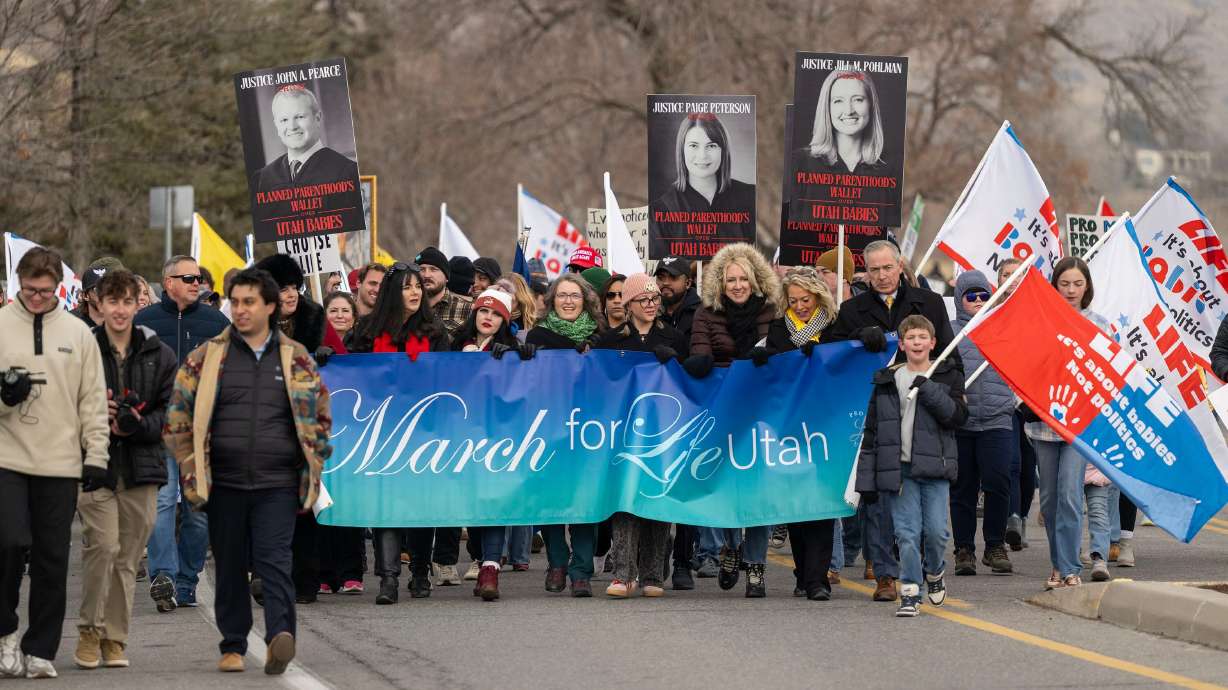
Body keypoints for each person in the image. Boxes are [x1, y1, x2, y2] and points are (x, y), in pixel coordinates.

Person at [164, 267, 331, 674]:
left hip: (278, 483)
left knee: (275, 560)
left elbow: (321, 415)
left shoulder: (296, 358)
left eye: (249, 302)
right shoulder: (207, 357)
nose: (239, 310)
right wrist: (191, 466)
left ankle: (279, 637)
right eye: (235, 301)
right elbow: (177, 418)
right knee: (231, 563)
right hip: (224, 483)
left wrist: (313, 457)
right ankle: (233, 643)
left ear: (270, 307)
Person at [0, 247, 109, 679]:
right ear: (18, 285)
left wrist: (96, 454)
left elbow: (93, 399)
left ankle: (40, 647)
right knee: (7, 545)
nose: (38, 298)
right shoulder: (2, 324)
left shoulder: (78, 333)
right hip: (8, 456)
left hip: (61, 461)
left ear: (58, 289)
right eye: (30, 290)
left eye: (46, 291)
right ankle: (5, 631)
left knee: (51, 558)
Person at [73, 269, 176, 671]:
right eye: (111, 301)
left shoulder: (159, 353)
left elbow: (171, 414)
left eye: (126, 301)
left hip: (142, 465)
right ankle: (88, 631)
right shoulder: (83, 349)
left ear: (137, 303)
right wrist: (98, 417)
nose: (119, 309)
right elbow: (66, 407)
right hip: (94, 464)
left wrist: (138, 423)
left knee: (128, 557)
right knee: (102, 546)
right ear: (99, 304)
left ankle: (114, 638)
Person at [346, 263, 451, 603]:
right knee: (386, 506)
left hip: (423, 433)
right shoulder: (364, 332)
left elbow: (451, 379)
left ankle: (420, 572)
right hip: (380, 433)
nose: (415, 292)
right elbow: (351, 377)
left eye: (418, 285)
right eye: (407, 286)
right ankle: (388, 578)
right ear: (394, 292)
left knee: (421, 505)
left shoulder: (435, 333)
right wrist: (329, 357)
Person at [134, 255, 230, 613]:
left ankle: (187, 581)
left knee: (197, 508)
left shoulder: (216, 322)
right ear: (168, 282)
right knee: (161, 502)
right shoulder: (143, 322)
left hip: (202, 432)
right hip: (159, 428)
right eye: (188, 277)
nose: (196, 282)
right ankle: (164, 577)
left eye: (199, 277)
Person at [856, 315, 967, 617]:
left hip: (935, 469)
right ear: (902, 344)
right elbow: (872, 430)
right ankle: (910, 590)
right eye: (910, 337)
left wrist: (929, 389)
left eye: (922, 337)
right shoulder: (886, 379)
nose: (916, 342)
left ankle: (935, 572)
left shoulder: (947, 374)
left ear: (932, 343)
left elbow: (957, 417)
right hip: (900, 469)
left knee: (935, 533)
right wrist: (867, 477)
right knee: (906, 533)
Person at [686, 242, 780, 597]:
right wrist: (701, 363)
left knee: (757, 491)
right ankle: (729, 546)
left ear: (756, 280)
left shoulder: (772, 310)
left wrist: (770, 357)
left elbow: (784, 353)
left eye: (744, 278)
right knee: (727, 487)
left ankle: (755, 567)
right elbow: (700, 353)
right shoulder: (707, 314)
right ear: (719, 284)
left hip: (761, 414)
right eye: (730, 280)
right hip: (723, 412)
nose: (737, 285)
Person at [593, 274, 685, 597]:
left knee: (657, 500)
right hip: (624, 431)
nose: (650, 305)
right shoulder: (612, 341)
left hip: (664, 431)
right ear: (629, 304)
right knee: (625, 501)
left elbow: (690, 380)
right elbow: (598, 381)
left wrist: (678, 361)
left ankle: (653, 576)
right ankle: (622, 574)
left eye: (655, 299)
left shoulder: (674, 337)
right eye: (643, 300)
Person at [1028, 257, 1111, 590]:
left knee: (1070, 495)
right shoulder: (1038, 321)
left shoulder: (1099, 324)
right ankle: (1057, 564)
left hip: (1080, 426)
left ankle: (1070, 567)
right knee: (1048, 500)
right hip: (1043, 424)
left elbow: (1106, 374)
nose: (1071, 290)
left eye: (1078, 284)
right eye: (1065, 284)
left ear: (1087, 286)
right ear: (1054, 285)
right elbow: (1024, 367)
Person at [763, 267, 843, 599]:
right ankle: (802, 572)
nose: (800, 306)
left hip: (825, 424)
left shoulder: (836, 328)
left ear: (818, 296)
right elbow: (773, 374)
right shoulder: (779, 328)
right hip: (790, 424)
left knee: (822, 502)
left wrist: (822, 357)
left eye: (805, 299)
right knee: (795, 504)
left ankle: (817, 579)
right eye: (793, 301)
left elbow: (844, 367)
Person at [451, 288, 536, 600]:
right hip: (462, 436)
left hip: (499, 437)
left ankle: (491, 568)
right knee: (474, 503)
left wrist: (522, 359)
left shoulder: (509, 349)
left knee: (495, 499)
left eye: (497, 313)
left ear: (505, 319)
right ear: (475, 313)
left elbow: (524, 388)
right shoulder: (455, 346)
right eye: (484, 311)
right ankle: (480, 553)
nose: (489, 318)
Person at [526, 274, 603, 596]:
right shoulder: (538, 336)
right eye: (562, 296)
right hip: (549, 427)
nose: (569, 301)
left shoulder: (601, 338)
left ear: (585, 301)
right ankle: (557, 561)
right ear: (552, 301)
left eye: (575, 296)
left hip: (588, 430)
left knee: (586, 501)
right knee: (551, 499)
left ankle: (581, 570)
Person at [949, 271, 1015, 577]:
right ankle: (964, 549)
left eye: (983, 295)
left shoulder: (1003, 328)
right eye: (970, 296)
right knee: (962, 488)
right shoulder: (949, 332)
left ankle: (994, 545)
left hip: (997, 418)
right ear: (960, 299)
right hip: (961, 422)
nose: (977, 301)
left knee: (998, 482)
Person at [826, 240, 955, 363]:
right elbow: (836, 357)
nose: (882, 276)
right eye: (875, 269)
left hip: (918, 384)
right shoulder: (850, 310)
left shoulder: (931, 303)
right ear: (867, 270)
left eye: (887, 268)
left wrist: (931, 385)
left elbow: (951, 359)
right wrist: (857, 336)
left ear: (900, 267)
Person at [252, 85, 362, 214]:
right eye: (284, 120)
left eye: (300, 117)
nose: (292, 126)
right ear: (276, 125)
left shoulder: (348, 172)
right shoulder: (263, 178)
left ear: (317, 118)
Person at [650, 112, 755, 242]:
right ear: (681, 150)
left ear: (723, 150)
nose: (702, 155)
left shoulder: (750, 197)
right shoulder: (661, 210)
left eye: (711, 146)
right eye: (693, 145)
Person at [996, 258, 1035, 553]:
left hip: (1032, 401)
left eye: (1016, 275)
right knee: (1011, 462)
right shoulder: (990, 313)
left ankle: (1020, 517)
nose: (1011, 280)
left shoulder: (1037, 312)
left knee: (1027, 466)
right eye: (1006, 275)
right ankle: (1010, 519)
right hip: (1004, 399)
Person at [793, 69, 888, 177]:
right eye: (838, 101)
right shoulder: (799, 163)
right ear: (827, 108)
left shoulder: (892, 167)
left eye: (858, 99)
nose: (849, 111)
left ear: (871, 105)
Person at [255, 254, 327, 355]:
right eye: (284, 290)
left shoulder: (315, 316)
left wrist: (329, 351)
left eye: (294, 288)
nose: (292, 295)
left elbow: (344, 361)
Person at [415, 246, 473, 337]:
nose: (426, 275)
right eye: (422, 269)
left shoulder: (468, 309)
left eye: (433, 269)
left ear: (446, 277)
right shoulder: (408, 309)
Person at [655, 256, 700, 345]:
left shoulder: (701, 314)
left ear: (687, 283)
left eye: (673, 277)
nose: (665, 283)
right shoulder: (649, 312)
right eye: (661, 277)